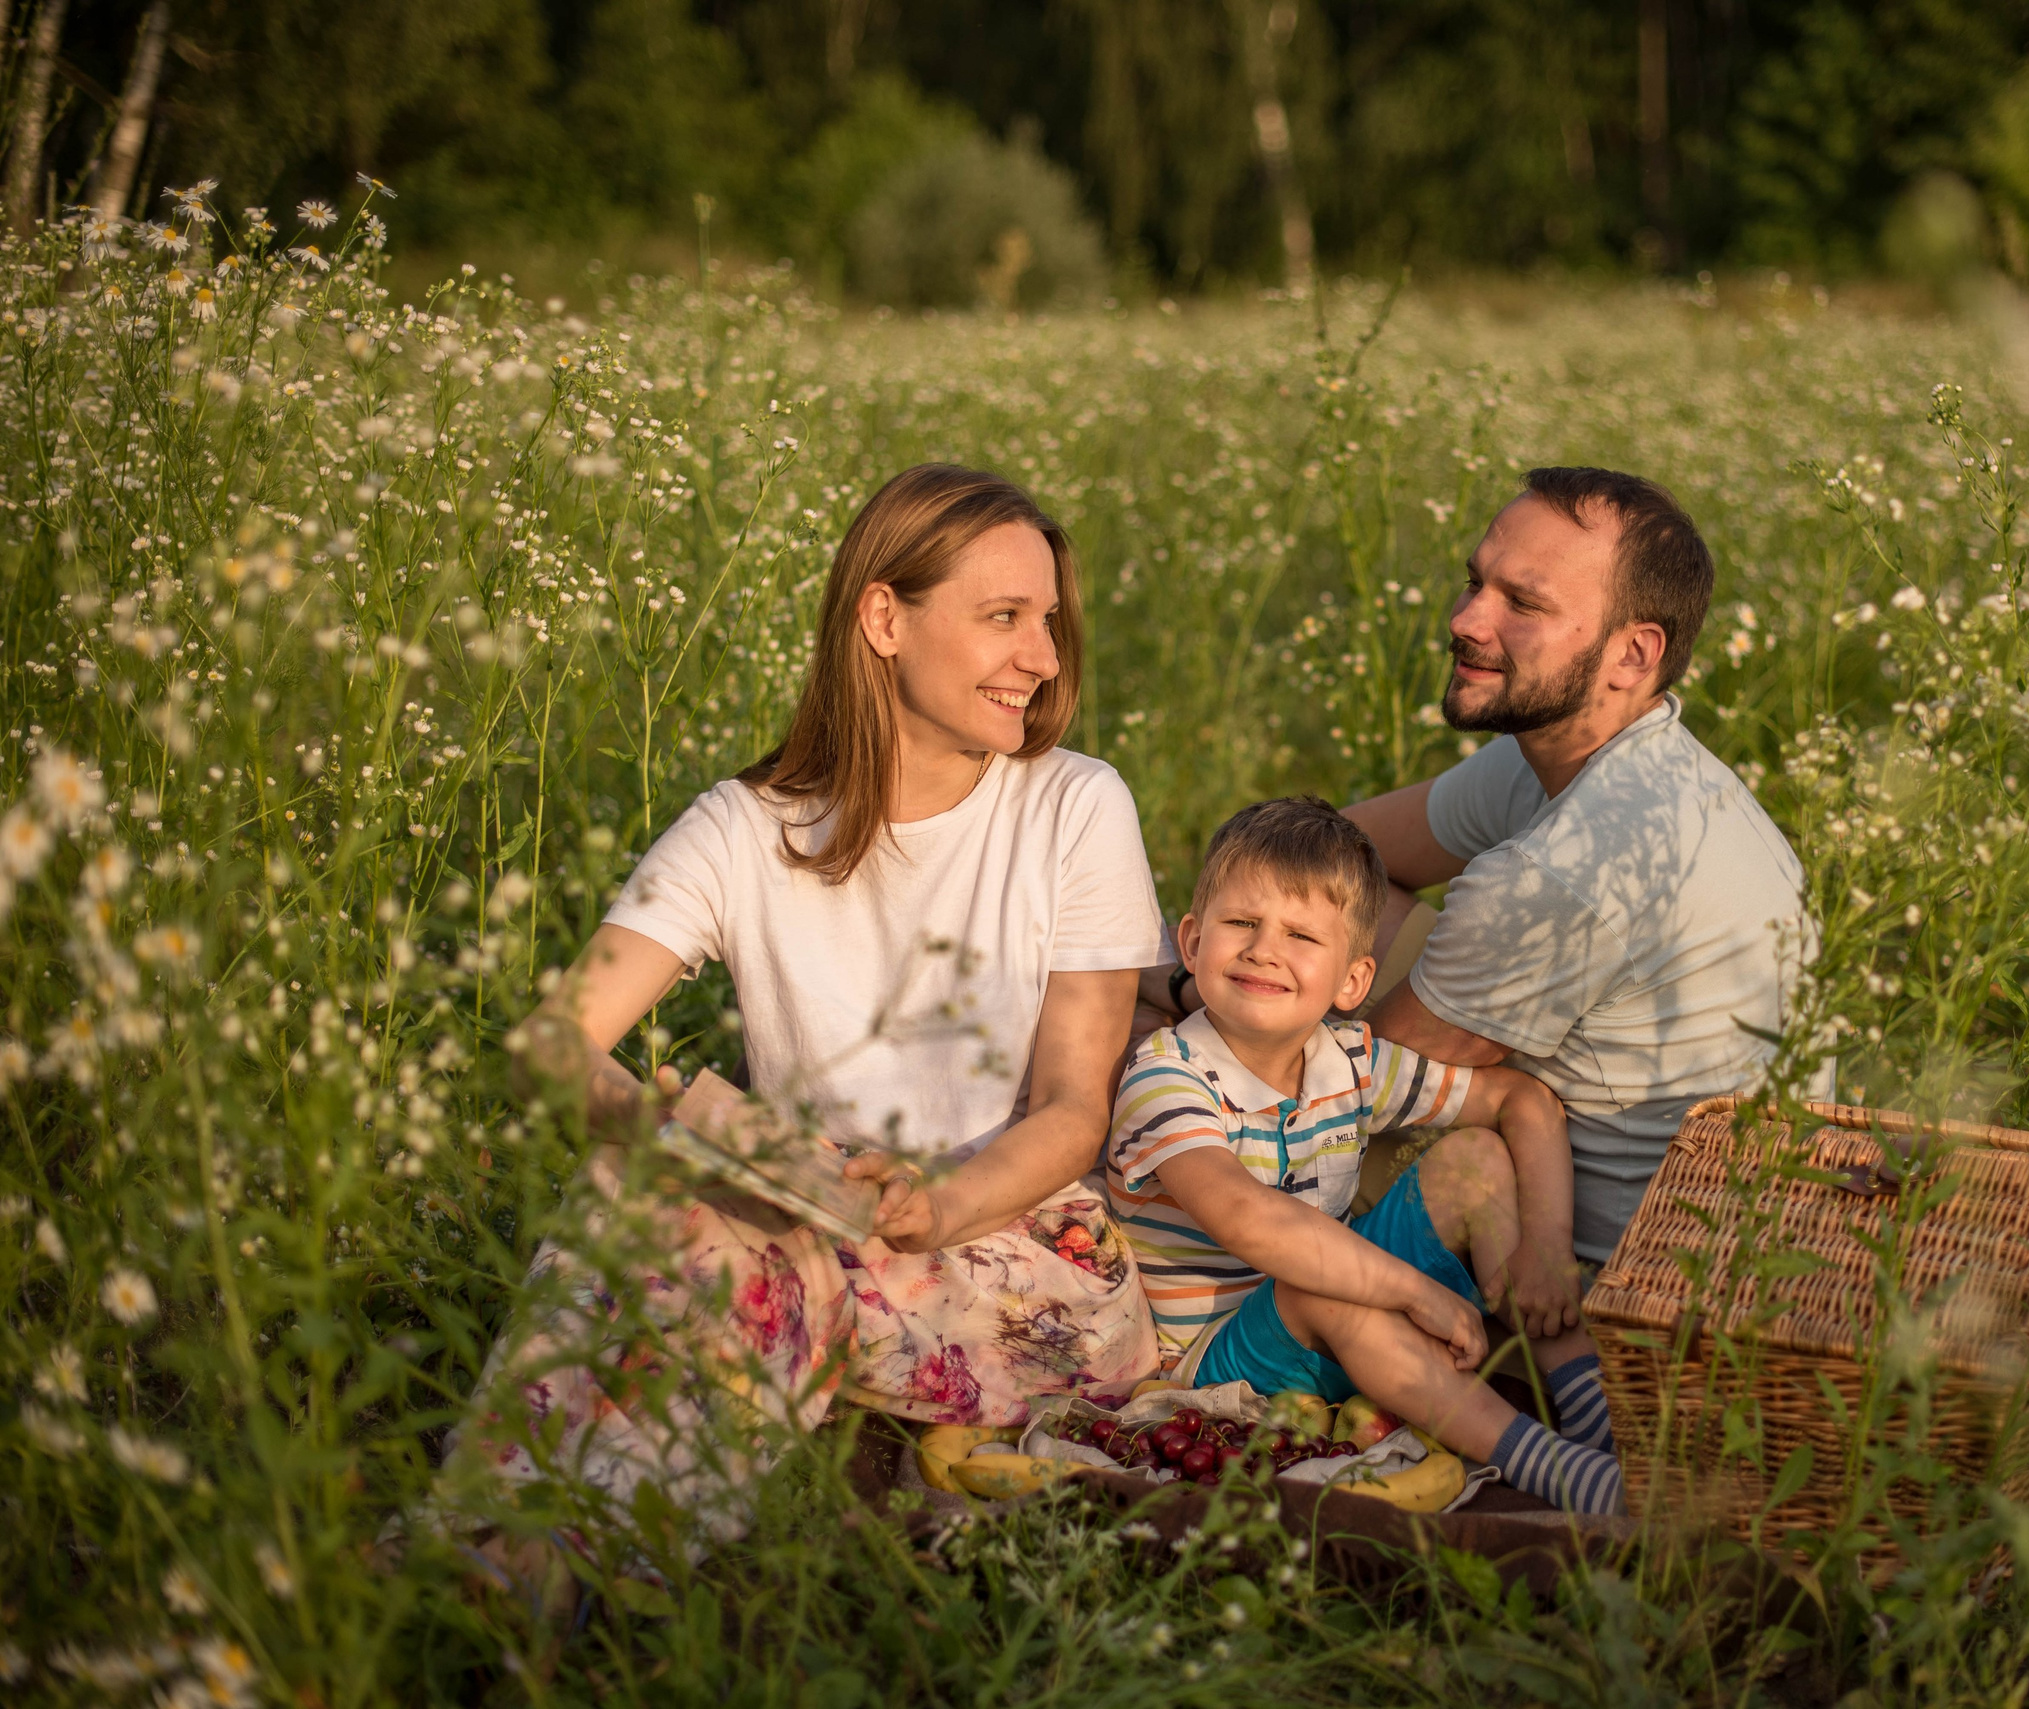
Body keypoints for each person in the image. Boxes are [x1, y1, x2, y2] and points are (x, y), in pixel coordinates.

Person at [448, 465, 1170, 1572]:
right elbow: (553, 1042)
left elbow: (1077, 1109)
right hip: (802, 1211)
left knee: (766, 1260)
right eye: (1004, 618)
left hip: (1023, 1250)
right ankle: (481, 1550)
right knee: (627, 1194)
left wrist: (934, 1205)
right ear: (884, 616)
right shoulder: (745, 826)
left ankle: (565, 1569)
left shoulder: (1076, 804)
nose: (1044, 656)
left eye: (1048, 622)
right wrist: (656, 1136)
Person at [1340, 466, 1821, 1268]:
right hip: (1746, 1238)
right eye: (1473, 582)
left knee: (1189, 1085)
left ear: (1632, 654)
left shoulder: (1562, 869)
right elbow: (1325, 849)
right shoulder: (1603, 757)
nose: (1465, 619)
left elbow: (1333, 1088)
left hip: (1614, 1299)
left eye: (1522, 604)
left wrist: (1177, 997)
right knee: (1314, 903)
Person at [1108, 798, 1624, 1516]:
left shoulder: (1348, 1057)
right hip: (1213, 1362)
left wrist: (1547, 1247)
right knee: (1320, 1279)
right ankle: (1555, 1467)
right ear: (1191, 943)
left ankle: (1592, 1406)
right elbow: (1250, 1217)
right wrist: (1413, 1291)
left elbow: (1523, 1101)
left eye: (1300, 935)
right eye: (1242, 923)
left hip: (1331, 1308)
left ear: (1352, 982)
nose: (1264, 949)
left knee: (1473, 1156)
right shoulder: (1168, 1072)